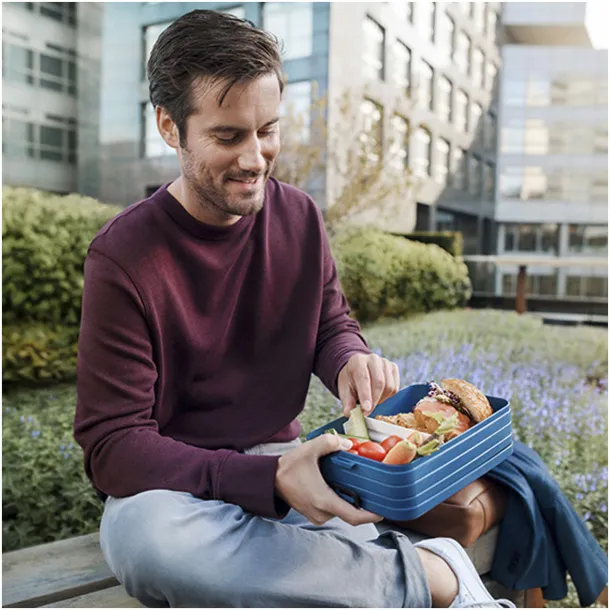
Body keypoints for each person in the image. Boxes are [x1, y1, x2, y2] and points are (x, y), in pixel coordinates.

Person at [74, 10, 515, 608]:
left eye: (269, 130)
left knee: (273, 536)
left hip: (282, 463)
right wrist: (263, 482)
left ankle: (356, 568)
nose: (256, 158)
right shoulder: (123, 257)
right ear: (170, 127)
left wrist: (350, 361)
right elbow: (113, 447)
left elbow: (330, 325)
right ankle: (438, 578)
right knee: (150, 544)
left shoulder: (300, 217)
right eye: (229, 137)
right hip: (170, 487)